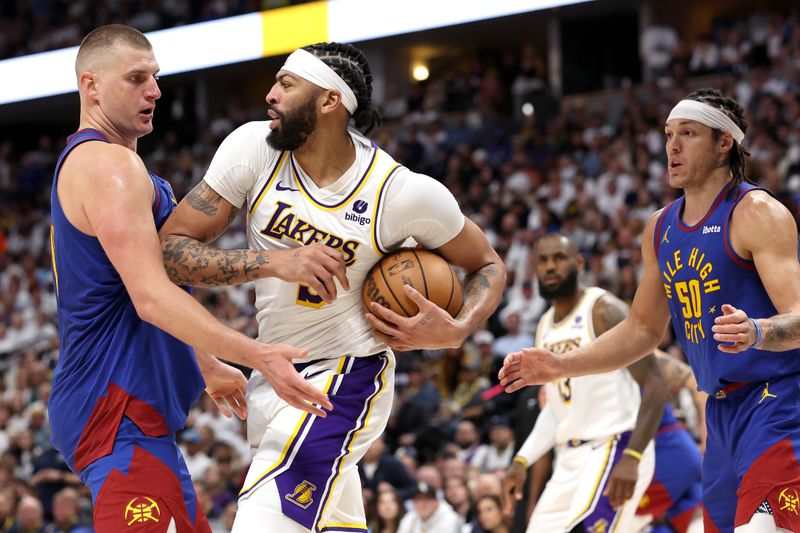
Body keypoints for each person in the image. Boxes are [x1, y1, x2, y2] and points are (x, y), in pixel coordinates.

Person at [159, 42, 505, 532]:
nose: (270, 95)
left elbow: (488, 263)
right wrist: (272, 262)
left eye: (286, 83)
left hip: (348, 375)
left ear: (329, 101)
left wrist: (458, 329)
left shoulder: (401, 193)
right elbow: (170, 251)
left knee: (262, 520)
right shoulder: (252, 149)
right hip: (273, 372)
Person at [49, 24, 331, 532]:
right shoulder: (107, 167)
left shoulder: (115, 164)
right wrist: (257, 355)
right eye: (137, 78)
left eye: (155, 77)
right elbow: (150, 298)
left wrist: (205, 363)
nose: (154, 90)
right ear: (91, 86)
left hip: (133, 410)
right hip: (116, 408)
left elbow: (135, 286)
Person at [500, 88, 800, 533]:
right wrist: (560, 365)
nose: (672, 147)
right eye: (669, 134)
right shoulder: (660, 227)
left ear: (724, 144)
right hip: (720, 414)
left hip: (778, 401)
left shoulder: (755, 212)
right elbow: (642, 330)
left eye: (689, 134)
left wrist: (757, 331)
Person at [501, 233, 669, 532]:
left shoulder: (603, 310)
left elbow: (657, 382)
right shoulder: (544, 327)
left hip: (615, 445)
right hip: (569, 459)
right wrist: (523, 459)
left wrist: (633, 455)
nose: (550, 267)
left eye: (559, 258)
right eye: (543, 260)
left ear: (579, 263)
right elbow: (557, 408)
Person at [633, 352, 704, 533]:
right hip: (664, 455)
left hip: (665, 453)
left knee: (615, 516)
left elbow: (698, 386)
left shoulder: (639, 351)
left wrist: (707, 442)